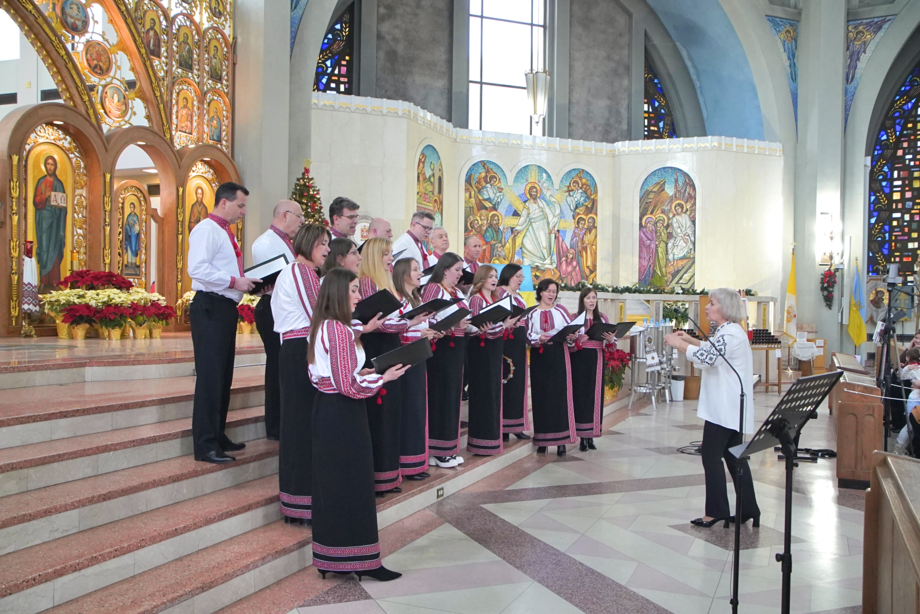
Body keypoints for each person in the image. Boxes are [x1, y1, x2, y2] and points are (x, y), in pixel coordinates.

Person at [308, 268, 409, 582]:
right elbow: (347, 387)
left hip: (329, 410)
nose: (359, 296)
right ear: (338, 292)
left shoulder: (326, 325)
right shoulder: (338, 330)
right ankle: (363, 561)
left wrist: (362, 374)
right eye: (353, 290)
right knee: (353, 483)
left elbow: (327, 376)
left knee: (337, 484)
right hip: (342, 413)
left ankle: (332, 558)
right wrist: (383, 378)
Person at [664, 287, 760, 528]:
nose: (707, 307)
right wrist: (690, 340)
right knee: (734, 457)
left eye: (712, 303)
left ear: (725, 308)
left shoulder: (731, 334)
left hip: (724, 408)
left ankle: (716, 512)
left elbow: (707, 359)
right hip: (730, 407)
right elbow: (713, 350)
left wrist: (679, 344)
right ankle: (749, 508)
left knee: (711, 455)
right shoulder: (730, 331)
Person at [187, 182, 260, 464]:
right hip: (210, 306)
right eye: (240, 205)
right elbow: (197, 269)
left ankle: (217, 434)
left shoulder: (224, 232)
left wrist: (248, 284)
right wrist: (233, 281)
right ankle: (205, 444)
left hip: (225, 307)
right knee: (210, 376)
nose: (243, 211)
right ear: (224, 202)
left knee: (223, 375)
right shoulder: (206, 229)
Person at [270, 224, 330, 524]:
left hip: (303, 348)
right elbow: (317, 314)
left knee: (304, 425)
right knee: (299, 426)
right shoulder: (300, 271)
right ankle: (299, 503)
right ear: (308, 244)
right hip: (299, 350)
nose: (327, 249)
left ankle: (304, 501)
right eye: (322, 244)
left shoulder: (305, 272)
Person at [358, 238, 428, 496]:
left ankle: (389, 474)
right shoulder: (367, 282)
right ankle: (378, 477)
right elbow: (379, 322)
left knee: (390, 412)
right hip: (376, 347)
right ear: (374, 256)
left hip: (389, 344)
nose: (390, 258)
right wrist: (410, 323)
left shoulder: (382, 282)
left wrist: (408, 322)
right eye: (386, 254)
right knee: (380, 413)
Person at [251, 201, 303, 442]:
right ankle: (275, 425)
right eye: (299, 216)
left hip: (284, 308)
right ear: (285, 215)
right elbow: (274, 279)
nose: (301, 221)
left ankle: (285, 420)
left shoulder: (286, 241)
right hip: (272, 307)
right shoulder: (266, 243)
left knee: (283, 365)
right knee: (276, 366)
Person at [422, 253, 472, 467]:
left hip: (456, 347)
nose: (460, 274)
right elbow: (427, 317)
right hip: (441, 349)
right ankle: (437, 450)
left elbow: (465, 320)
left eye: (461, 270)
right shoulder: (433, 288)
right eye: (457, 270)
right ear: (444, 270)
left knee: (452, 396)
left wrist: (480, 324)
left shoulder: (456, 292)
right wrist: (453, 324)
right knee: (441, 396)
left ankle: (447, 449)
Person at [392, 258, 440, 479]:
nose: (420, 273)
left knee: (418, 409)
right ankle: (407, 464)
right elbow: (396, 331)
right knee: (410, 410)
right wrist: (420, 333)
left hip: (419, 357)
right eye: (415, 269)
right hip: (406, 361)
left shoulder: (416, 299)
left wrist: (431, 332)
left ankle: (417, 462)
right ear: (403, 274)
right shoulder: (398, 300)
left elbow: (419, 328)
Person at [466, 265, 518, 455]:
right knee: (484, 393)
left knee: (494, 393)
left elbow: (494, 328)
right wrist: (503, 325)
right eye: (490, 276)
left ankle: (492, 440)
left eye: (496, 276)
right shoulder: (476, 299)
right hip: (481, 351)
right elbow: (478, 328)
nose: (494, 279)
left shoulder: (496, 299)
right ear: (482, 279)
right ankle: (481, 442)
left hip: (495, 349)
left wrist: (507, 324)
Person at [525, 278, 577, 456]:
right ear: (540, 292)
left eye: (554, 292)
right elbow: (528, 335)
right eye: (548, 291)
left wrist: (572, 335)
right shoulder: (532, 313)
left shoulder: (561, 311)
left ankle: (561, 441)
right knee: (541, 396)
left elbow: (571, 330)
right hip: (540, 356)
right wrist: (538, 338)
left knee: (559, 396)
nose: (551, 294)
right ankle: (542, 440)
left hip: (558, 354)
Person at [571, 287, 616, 451]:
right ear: (582, 300)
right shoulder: (575, 318)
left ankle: (591, 435)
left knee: (595, 395)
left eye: (594, 298)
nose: (591, 301)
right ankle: (582, 437)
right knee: (581, 396)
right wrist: (578, 340)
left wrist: (610, 339)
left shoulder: (602, 318)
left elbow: (612, 346)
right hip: (579, 359)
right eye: (588, 298)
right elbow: (568, 341)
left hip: (597, 358)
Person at [497, 265, 531, 441]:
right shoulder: (500, 293)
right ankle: (503, 426)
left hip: (518, 341)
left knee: (518, 382)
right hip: (506, 340)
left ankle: (516, 425)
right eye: (517, 276)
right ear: (508, 275)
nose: (520, 279)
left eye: (522, 277)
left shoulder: (519, 296)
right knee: (506, 380)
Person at [33, 155, 67, 289]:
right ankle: (43, 281)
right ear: (45, 166)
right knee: (44, 248)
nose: (50, 167)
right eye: (48, 164)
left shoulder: (59, 184)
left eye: (52, 164)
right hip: (43, 221)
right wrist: (45, 196)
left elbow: (63, 205)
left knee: (55, 249)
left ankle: (54, 281)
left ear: (55, 166)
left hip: (56, 223)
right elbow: (36, 201)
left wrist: (58, 206)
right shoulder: (41, 182)